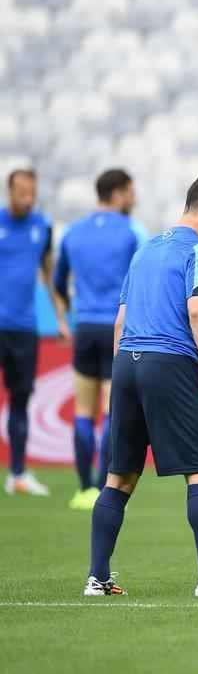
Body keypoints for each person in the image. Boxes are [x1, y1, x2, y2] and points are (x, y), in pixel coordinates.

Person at [85, 173, 198, 598]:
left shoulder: (145, 250)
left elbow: (121, 320)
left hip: (127, 364)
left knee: (119, 476)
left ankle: (97, 577)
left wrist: (123, 373)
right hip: (169, 362)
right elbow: (197, 311)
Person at [54, 169, 147, 511]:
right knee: (112, 410)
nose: (134, 199)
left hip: (84, 326)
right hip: (117, 327)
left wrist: (72, 311)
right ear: (119, 192)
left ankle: (83, 489)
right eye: (132, 192)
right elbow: (144, 275)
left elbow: (59, 280)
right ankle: (101, 485)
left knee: (82, 410)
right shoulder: (132, 232)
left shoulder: (73, 232)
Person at [1, 168, 69, 497]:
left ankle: (17, 473)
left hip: (24, 328)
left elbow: (48, 273)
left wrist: (61, 319)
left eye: (32, 193)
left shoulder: (41, 226)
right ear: (9, 192)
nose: (28, 199)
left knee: (21, 399)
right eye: (21, 193)